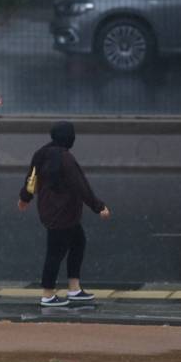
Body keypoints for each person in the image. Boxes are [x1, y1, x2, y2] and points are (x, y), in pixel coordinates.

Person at [17, 121, 111, 307]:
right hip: (63, 212)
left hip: (51, 211)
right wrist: (99, 207)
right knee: (55, 252)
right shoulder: (66, 158)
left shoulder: (41, 153)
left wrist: (25, 197)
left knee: (78, 242)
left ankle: (74, 288)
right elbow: (81, 186)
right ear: (69, 138)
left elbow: (31, 178)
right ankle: (48, 294)